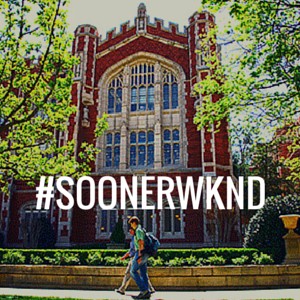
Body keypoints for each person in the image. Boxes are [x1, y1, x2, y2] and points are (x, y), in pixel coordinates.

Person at [115, 228, 155, 295]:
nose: (129, 231)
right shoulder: (134, 237)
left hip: (136, 258)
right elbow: (131, 250)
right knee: (141, 273)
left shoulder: (136, 238)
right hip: (137, 257)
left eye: (130, 230)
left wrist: (138, 256)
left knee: (130, 273)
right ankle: (150, 289)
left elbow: (134, 250)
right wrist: (125, 256)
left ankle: (122, 289)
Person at [129, 216, 151, 299]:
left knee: (133, 271)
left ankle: (144, 290)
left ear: (134, 223)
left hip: (140, 253)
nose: (131, 226)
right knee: (143, 273)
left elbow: (141, 244)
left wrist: (139, 255)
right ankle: (146, 292)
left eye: (131, 224)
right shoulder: (141, 229)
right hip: (144, 253)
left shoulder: (138, 231)